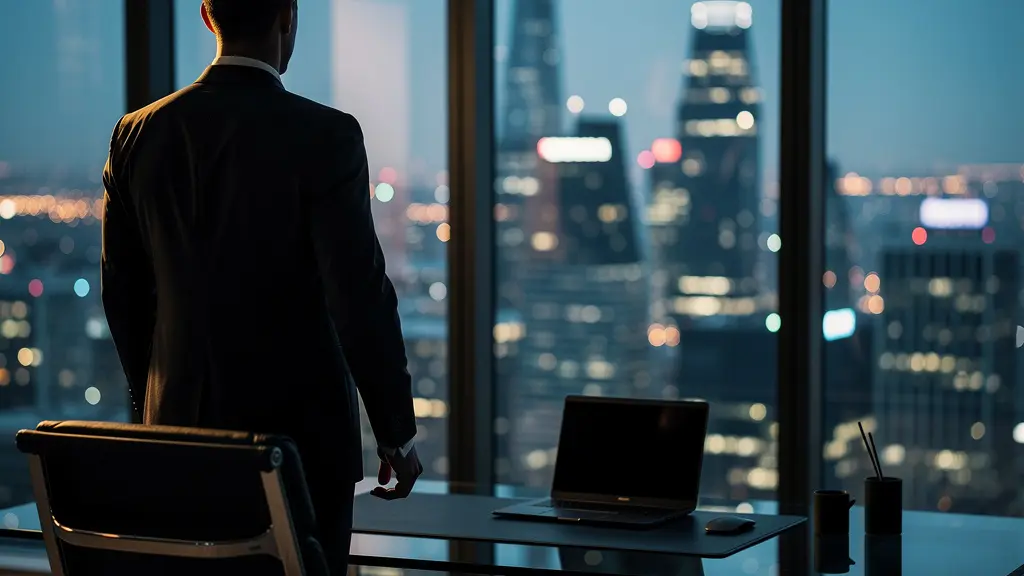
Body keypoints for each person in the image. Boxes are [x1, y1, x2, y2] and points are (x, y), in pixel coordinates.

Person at [100, 0, 422, 572]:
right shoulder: (327, 136)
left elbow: (124, 296)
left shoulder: (137, 133)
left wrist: (154, 406)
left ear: (206, 17)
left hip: (178, 439)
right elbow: (358, 295)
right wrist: (394, 433)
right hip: (299, 446)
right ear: (287, 17)